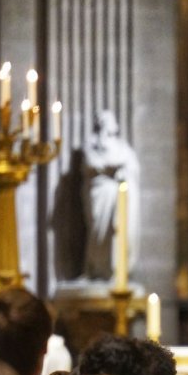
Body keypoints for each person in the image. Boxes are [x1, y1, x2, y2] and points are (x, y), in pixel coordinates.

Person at [82, 108, 140, 282]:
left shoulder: (122, 146)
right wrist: (110, 167)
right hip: (100, 193)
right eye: (104, 121)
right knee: (99, 232)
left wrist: (122, 171)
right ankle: (98, 269)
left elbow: (132, 166)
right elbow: (91, 164)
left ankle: (118, 270)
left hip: (120, 194)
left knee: (120, 229)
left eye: (110, 121)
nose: (108, 125)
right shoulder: (92, 144)